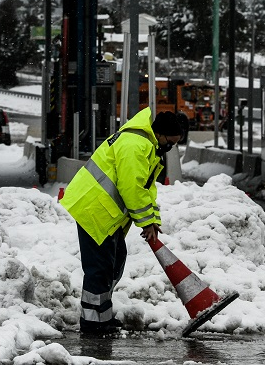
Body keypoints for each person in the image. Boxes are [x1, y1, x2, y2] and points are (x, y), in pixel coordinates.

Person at [61, 107, 188, 335]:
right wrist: (145, 222)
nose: (170, 148)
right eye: (170, 142)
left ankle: (102, 316)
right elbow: (132, 189)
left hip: (106, 212)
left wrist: (152, 220)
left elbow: (146, 189)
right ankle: (92, 324)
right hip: (95, 210)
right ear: (159, 133)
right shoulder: (135, 146)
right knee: (99, 269)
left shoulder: (147, 147)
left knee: (114, 263)